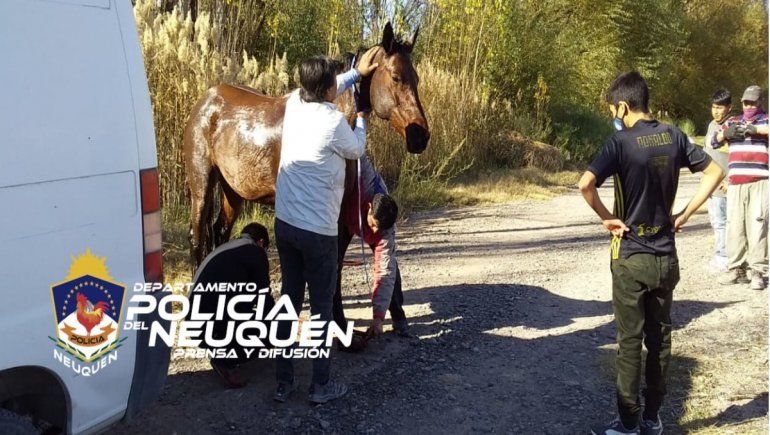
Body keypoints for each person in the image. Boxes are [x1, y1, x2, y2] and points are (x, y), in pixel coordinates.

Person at [578, 72, 723, 435]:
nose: (615, 115)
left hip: (630, 257)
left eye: (614, 109)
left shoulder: (620, 142)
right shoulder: (674, 135)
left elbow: (585, 184)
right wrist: (685, 214)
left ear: (623, 106)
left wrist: (607, 218)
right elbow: (715, 171)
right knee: (659, 339)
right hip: (665, 256)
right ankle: (653, 418)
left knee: (629, 342)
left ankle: (628, 422)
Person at [273, 47, 380, 405]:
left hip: (285, 224)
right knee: (320, 309)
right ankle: (319, 386)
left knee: (289, 300)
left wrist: (356, 74)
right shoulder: (335, 121)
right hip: (318, 231)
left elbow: (330, 85)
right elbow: (357, 149)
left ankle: (283, 383)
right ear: (327, 90)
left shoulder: (292, 104)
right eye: (334, 81)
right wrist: (362, 117)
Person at [334, 155, 408, 352]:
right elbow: (358, 154)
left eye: (378, 228)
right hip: (347, 218)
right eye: (373, 225)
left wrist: (377, 317)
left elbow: (383, 271)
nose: (374, 232)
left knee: (389, 268)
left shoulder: (385, 230)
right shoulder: (363, 177)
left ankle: (398, 316)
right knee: (333, 264)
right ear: (368, 208)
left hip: (358, 218)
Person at [189, 223, 274, 389]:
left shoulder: (229, 249)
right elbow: (264, 298)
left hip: (197, 322)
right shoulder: (255, 253)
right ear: (262, 242)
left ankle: (222, 351)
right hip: (211, 321)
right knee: (266, 329)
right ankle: (226, 361)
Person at [714, 85, 769, 290]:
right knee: (734, 225)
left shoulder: (765, 119)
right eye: (746, 102)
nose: (749, 106)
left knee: (758, 225)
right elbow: (714, 140)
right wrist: (726, 133)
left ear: (760, 102)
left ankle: (757, 271)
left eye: (753, 102)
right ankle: (736, 268)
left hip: (760, 180)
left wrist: (757, 130)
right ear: (741, 102)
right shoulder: (733, 120)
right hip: (736, 182)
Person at [703, 90, 732, 271]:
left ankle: (724, 257)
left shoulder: (733, 127)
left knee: (727, 223)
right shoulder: (712, 126)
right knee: (717, 222)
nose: (716, 111)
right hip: (712, 186)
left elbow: (739, 157)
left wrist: (730, 180)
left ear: (729, 108)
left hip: (728, 186)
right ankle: (722, 255)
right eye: (714, 107)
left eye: (720, 107)